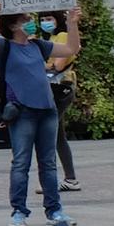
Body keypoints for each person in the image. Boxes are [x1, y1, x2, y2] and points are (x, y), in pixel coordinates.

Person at [0, 0, 79, 226]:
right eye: (26, 20)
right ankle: (19, 211)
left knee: (49, 163)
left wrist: (72, 24)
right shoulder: (3, 46)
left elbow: (71, 49)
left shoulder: (38, 46)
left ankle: (54, 210)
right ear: (13, 26)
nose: (31, 22)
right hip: (22, 112)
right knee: (21, 162)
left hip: (48, 111)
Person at [41, 14, 80, 193]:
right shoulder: (48, 39)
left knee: (49, 133)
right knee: (58, 136)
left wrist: (36, 63)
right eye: (42, 19)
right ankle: (70, 178)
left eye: (49, 18)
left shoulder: (62, 36)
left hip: (61, 88)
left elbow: (58, 64)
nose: (45, 23)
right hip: (52, 89)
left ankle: (53, 180)